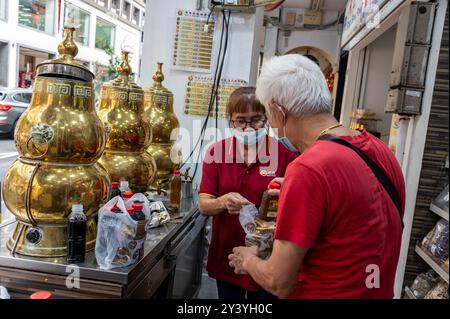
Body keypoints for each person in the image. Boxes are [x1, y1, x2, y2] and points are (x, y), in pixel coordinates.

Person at [228, 54, 406, 299]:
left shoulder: (309, 168)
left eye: (269, 118)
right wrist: (303, 195)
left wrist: (248, 260)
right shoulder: (380, 150)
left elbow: (279, 281)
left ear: (279, 111)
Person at [198, 86, 298, 299]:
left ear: (267, 119)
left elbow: (296, 209)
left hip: (269, 257)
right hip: (228, 254)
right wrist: (222, 202)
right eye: (241, 121)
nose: (249, 127)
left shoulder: (286, 156)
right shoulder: (217, 153)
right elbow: (204, 204)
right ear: (230, 121)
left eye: (256, 120)